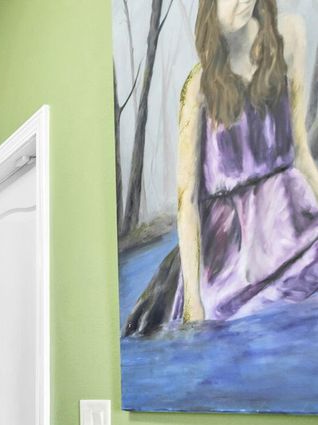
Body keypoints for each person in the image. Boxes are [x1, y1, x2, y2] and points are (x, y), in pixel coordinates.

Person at [125, 0, 318, 335]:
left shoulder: (290, 37)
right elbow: (187, 201)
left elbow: (301, 150)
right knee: (230, 321)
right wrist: (192, 302)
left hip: (291, 219)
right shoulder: (197, 88)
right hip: (229, 254)